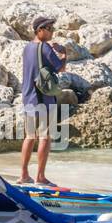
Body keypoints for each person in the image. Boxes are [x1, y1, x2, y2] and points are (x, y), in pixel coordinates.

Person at [19, 16, 66, 186]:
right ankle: (40, 177)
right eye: (49, 28)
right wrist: (63, 53)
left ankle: (23, 175)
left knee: (29, 137)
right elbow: (61, 68)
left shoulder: (27, 48)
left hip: (28, 97)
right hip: (44, 99)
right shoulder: (45, 48)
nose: (52, 31)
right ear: (39, 30)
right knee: (45, 137)